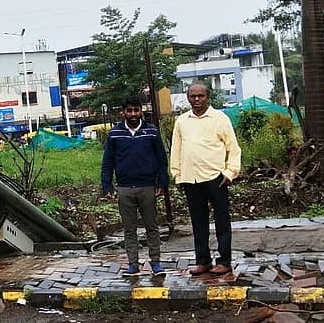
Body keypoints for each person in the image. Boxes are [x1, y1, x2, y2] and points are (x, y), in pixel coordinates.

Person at [170, 83, 241, 276]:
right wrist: (177, 175)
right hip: (190, 179)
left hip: (215, 178)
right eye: (193, 96)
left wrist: (230, 172)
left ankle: (224, 261)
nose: (196, 100)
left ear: (207, 97)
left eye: (200, 96)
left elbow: (233, 148)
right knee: (198, 222)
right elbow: (176, 149)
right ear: (188, 97)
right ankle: (203, 261)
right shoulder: (182, 121)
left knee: (222, 222)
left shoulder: (220, 119)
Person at [101, 95, 169, 276]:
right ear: (123, 112)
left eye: (136, 110)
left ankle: (156, 263)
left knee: (152, 227)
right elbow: (107, 162)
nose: (133, 114)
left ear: (141, 111)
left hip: (148, 187)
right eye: (129, 110)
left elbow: (162, 159)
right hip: (124, 188)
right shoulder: (115, 134)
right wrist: (106, 185)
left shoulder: (151, 132)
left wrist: (162, 182)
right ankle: (133, 264)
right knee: (129, 229)